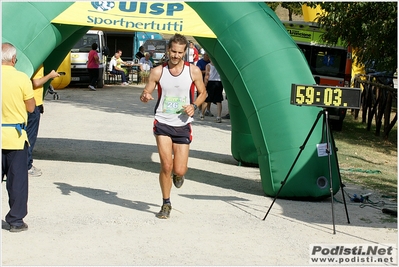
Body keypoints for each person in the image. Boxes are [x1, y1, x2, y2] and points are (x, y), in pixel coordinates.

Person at [140, 33, 207, 219]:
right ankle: (166, 203)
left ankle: (179, 175)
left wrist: (194, 106)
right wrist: (145, 96)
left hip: (183, 124)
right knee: (166, 166)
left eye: (180, 52)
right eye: (173, 51)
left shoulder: (193, 71)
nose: (176, 55)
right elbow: (146, 92)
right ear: (168, 50)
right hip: (162, 122)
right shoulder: (157, 71)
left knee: (179, 170)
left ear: (185, 52)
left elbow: (203, 93)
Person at [2, 42, 36, 232]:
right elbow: (31, 107)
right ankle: (15, 221)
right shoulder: (22, 78)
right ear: (14, 59)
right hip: (14, 137)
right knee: (17, 182)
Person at [28, 68, 60, 177]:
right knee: (30, 136)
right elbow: (36, 82)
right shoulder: (38, 62)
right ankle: (27, 165)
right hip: (33, 102)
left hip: (24, 101)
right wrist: (50, 75)